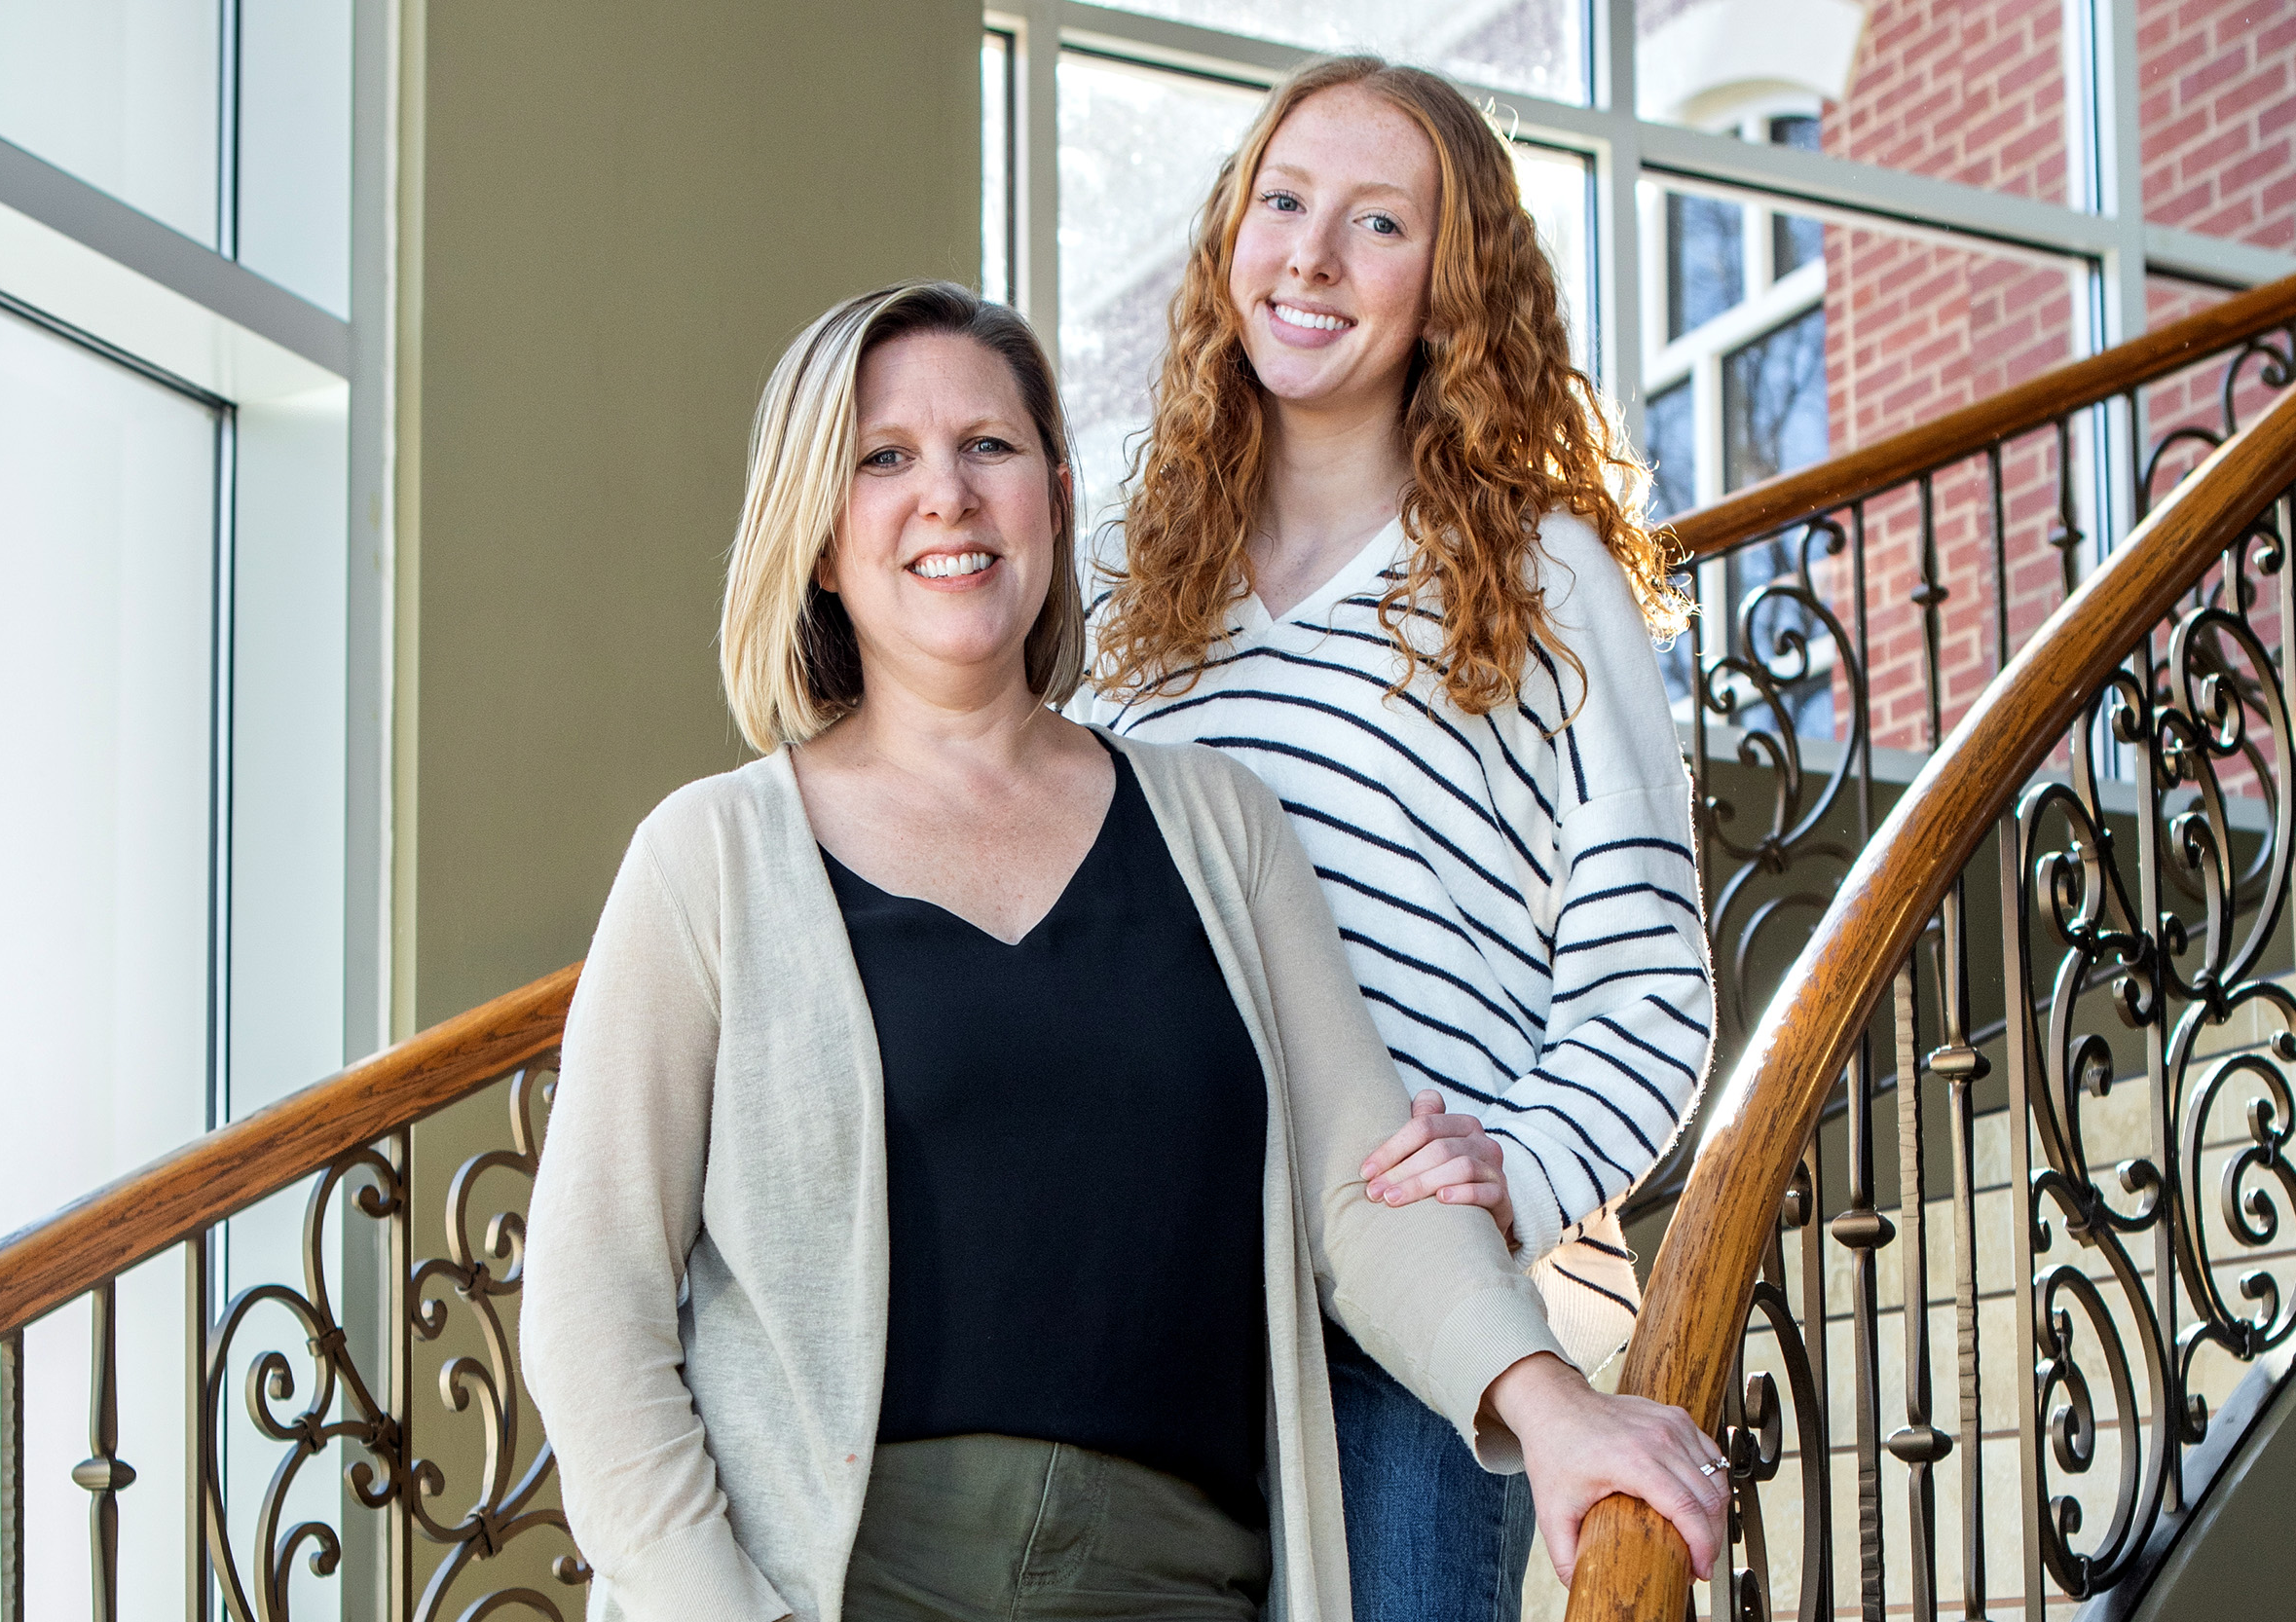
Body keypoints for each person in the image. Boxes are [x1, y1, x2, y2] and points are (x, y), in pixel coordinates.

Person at [520, 281, 1724, 1622]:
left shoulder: (1222, 827)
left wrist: (1550, 1404)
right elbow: (592, 1303)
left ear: (1054, 486)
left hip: (1182, 1583)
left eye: (990, 446)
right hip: (844, 1581)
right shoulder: (710, 860)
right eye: (884, 458)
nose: (948, 495)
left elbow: (1363, 1198)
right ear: (815, 537)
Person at [1089, 56, 1718, 1622]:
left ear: (1452, 289)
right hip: (1161, 1307)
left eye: (1376, 222)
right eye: (1282, 203)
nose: (1308, 254)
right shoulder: (1133, 595)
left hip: (1418, 1332)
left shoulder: (1545, 576)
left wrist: (1515, 1170)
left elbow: (1649, 984)